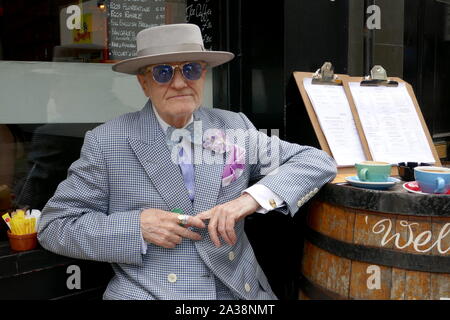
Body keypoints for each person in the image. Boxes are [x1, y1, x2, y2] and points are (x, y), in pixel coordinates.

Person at [38, 23, 337, 300]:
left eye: (191, 69)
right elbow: (55, 226)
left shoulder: (234, 127)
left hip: (236, 291)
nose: (180, 83)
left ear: (204, 75)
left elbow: (316, 161)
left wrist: (249, 199)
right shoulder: (107, 142)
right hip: (152, 293)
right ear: (144, 82)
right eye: (163, 73)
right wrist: (136, 227)